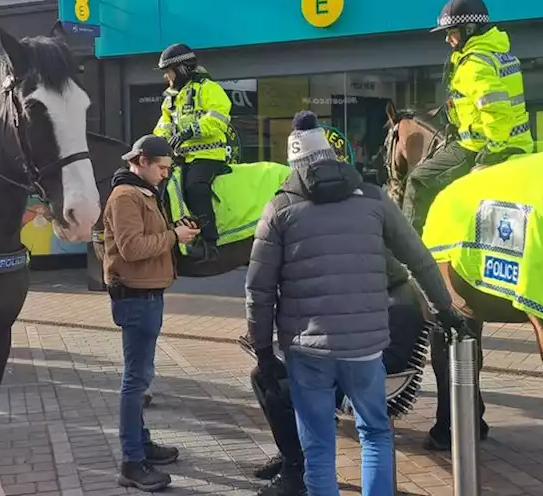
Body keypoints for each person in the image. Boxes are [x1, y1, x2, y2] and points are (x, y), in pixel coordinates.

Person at [246, 112, 471, 496]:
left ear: (295, 164)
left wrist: (263, 351)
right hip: (365, 348)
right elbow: (419, 259)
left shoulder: (279, 209)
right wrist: (447, 310)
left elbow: (259, 290)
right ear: (333, 158)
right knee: (375, 433)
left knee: (317, 446)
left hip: (306, 350)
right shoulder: (373, 198)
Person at [102, 135, 200, 492]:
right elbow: (131, 247)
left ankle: (141, 445)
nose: (164, 174)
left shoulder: (141, 193)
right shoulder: (126, 196)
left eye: (167, 169)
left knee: (139, 377)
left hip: (145, 296)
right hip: (136, 298)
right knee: (136, 381)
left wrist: (176, 230)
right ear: (141, 160)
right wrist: (175, 236)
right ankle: (131, 462)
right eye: (161, 168)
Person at [401, 0, 534, 234]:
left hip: (481, 146)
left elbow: (497, 111)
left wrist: (490, 155)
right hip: (520, 143)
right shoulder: (500, 54)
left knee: (417, 181)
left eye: (452, 32)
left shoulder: (475, 64)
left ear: (470, 29)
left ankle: (409, 256)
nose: (448, 39)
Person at [152, 43, 232, 262]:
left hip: (208, 155)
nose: (166, 77)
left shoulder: (208, 88)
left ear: (182, 69)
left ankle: (209, 243)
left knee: (194, 188)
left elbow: (219, 118)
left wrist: (191, 131)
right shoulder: (170, 98)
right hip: (180, 157)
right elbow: (163, 126)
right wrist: (156, 142)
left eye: (168, 72)